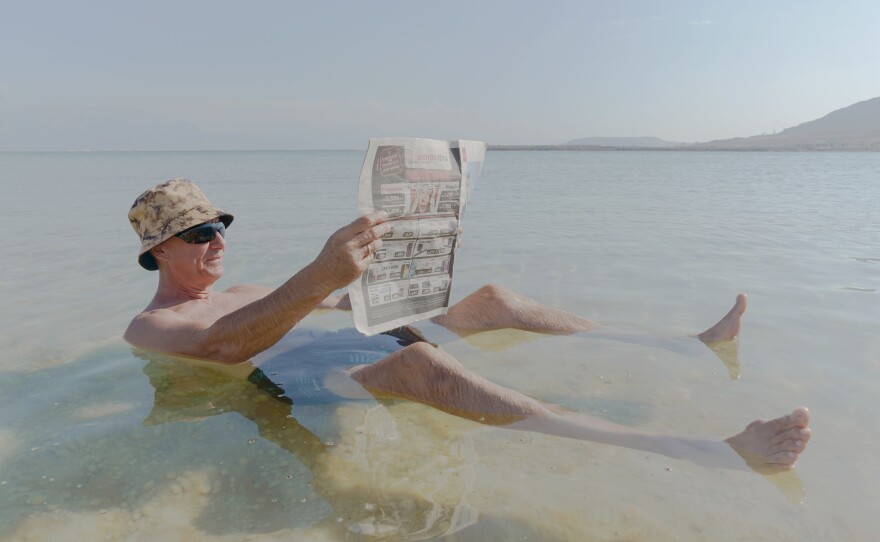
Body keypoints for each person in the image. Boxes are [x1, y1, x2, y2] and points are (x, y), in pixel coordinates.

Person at [124, 178, 811, 472]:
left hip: (342, 339)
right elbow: (221, 346)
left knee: (493, 299)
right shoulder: (150, 325)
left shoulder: (247, 285)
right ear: (159, 250)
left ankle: (684, 342)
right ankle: (710, 450)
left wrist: (391, 268)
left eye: (221, 225)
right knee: (420, 368)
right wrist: (320, 275)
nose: (218, 239)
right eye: (200, 231)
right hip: (291, 381)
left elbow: (331, 302)